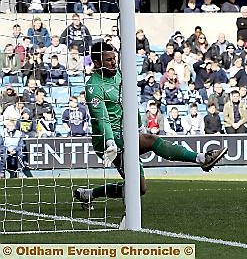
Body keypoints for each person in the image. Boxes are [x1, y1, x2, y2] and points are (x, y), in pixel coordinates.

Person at [73, 42, 227, 209]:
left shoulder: (119, 75)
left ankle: (89, 194)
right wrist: (110, 142)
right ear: (96, 63)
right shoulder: (93, 86)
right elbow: (101, 118)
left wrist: (139, 127)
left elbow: (128, 103)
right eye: (108, 60)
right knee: (152, 140)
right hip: (106, 139)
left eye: (114, 58)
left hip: (125, 134)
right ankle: (201, 158)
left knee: (139, 188)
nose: (113, 62)